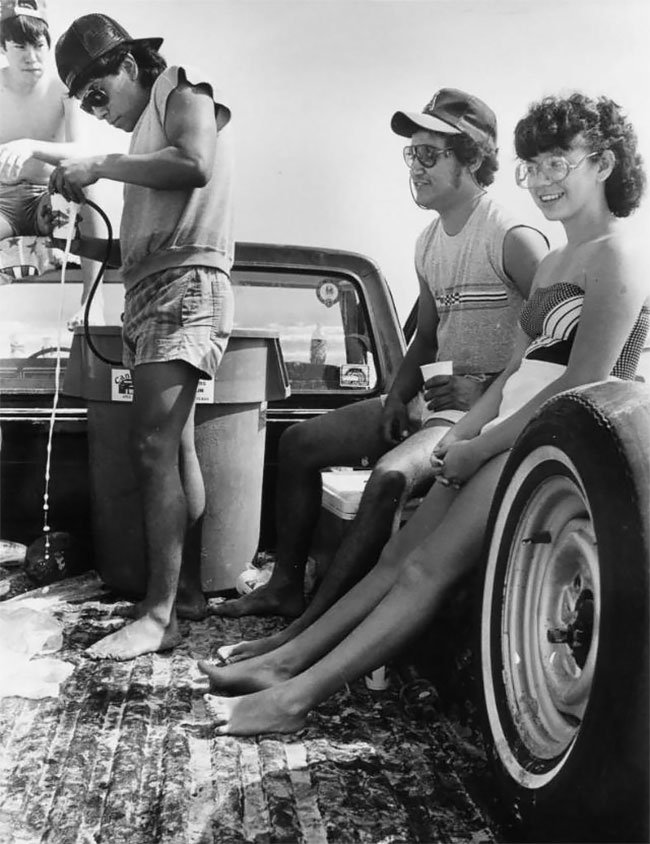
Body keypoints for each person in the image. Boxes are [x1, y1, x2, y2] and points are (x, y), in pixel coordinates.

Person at [198, 91, 648, 735]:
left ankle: (294, 700)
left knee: (425, 571)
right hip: (502, 432)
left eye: (558, 163)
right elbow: (516, 373)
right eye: (531, 167)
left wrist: (483, 446)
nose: (540, 181)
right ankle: (287, 660)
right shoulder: (555, 260)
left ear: (603, 164)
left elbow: (583, 384)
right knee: (395, 558)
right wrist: (460, 434)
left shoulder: (619, 255)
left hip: (548, 445)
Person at [212, 88, 548, 663]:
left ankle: (310, 632)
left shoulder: (511, 236)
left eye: (429, 154)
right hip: (435, 403)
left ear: (471, 158)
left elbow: (558, 340)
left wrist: (484, 388)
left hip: (485, 411)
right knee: (299, 443)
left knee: (390, 476)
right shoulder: (428, 241)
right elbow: (428, 334)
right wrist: (396, 397)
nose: (414, 167)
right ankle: (286, 587)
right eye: (411, 154)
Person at [48, 13, 234, 659]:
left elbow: (194, 163)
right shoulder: (143, 147)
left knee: (153, 446)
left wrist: (99, 164)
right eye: (85, 105)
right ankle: (185, 597)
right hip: (153, 288)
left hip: (186, 286)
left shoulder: (183, 89)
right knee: (175, 449)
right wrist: (62, 237)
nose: (97, 113)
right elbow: (133, 250)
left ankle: (159, 616)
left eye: (98, 95)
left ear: (129, 65)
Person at [0, 0, 104, 328]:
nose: (32, 57)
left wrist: (30, 146)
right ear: (3, 48)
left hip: (49, 198)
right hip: (3, 203)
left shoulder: (64, 90)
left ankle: (92, 302)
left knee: (86, 181)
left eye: (39, 45)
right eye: (20, 47)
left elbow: (82, 151)